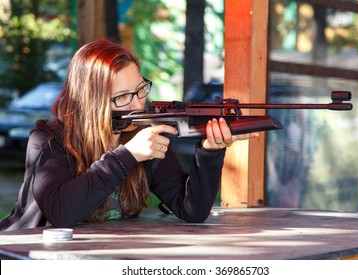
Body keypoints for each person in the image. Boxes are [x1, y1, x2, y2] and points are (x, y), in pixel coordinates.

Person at [0, 40, 259, 231]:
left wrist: (210, 152)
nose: (138, 104)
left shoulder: (144, 133)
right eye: (123, 97)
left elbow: (191, 210)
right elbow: (60, 213)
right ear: (93, 101)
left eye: (140, 90)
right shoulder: (49, 139)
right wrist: (128, 155)